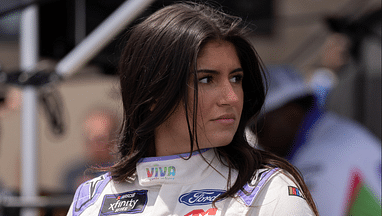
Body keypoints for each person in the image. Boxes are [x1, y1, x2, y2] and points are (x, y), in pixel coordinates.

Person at [67, 2, 319, 215]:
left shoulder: (268, 193)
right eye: (206, 79)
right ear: (154, 93)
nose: (230, 97)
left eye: (236, 78)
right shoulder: (93, 200)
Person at [254, 65, 381, 216]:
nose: (258, 138)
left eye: (260, 126)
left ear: (291, 112)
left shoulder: (319, 159)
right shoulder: (337, 130)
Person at [62, 107, 119, 194]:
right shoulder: (73, 174)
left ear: (113, 139)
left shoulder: (122, 171)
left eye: (99, 139)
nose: (94, 145)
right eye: (88, 138)